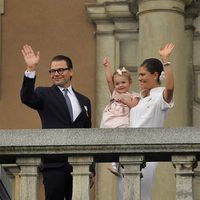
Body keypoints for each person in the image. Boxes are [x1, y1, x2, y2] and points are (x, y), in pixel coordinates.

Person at [20, 44, 92, 200]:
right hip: (54, 165)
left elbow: (88, 134)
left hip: (79, 165)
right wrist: (31, 69)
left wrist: (91, 169)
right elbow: (26, 98)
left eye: (61, 70)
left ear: (71, 71)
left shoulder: (84, 100)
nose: (56, 74)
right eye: (52, 71)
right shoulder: (43, 93)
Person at [130, 43, 175, 200]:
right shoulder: (140, 99)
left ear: (155, 75)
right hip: (128, 151)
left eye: (143, 74)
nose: (140, 78)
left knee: (142, 195)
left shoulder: (159, 97)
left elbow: (170, 88)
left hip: (146, 153)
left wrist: (166, 61)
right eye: (139, 75)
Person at [100, 57, 140, 175]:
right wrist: (107, 68)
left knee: (122, 140)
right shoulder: (114, 93)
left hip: (123, 120)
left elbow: (134, 105)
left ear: (130, 83)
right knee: (112, 141)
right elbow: (108, 81)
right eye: (117, 83)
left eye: (123, 82)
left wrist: (124, 101)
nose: (120, 85)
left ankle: (118, 164)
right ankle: (114, 164)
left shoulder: (133, 95)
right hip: (112, 119)